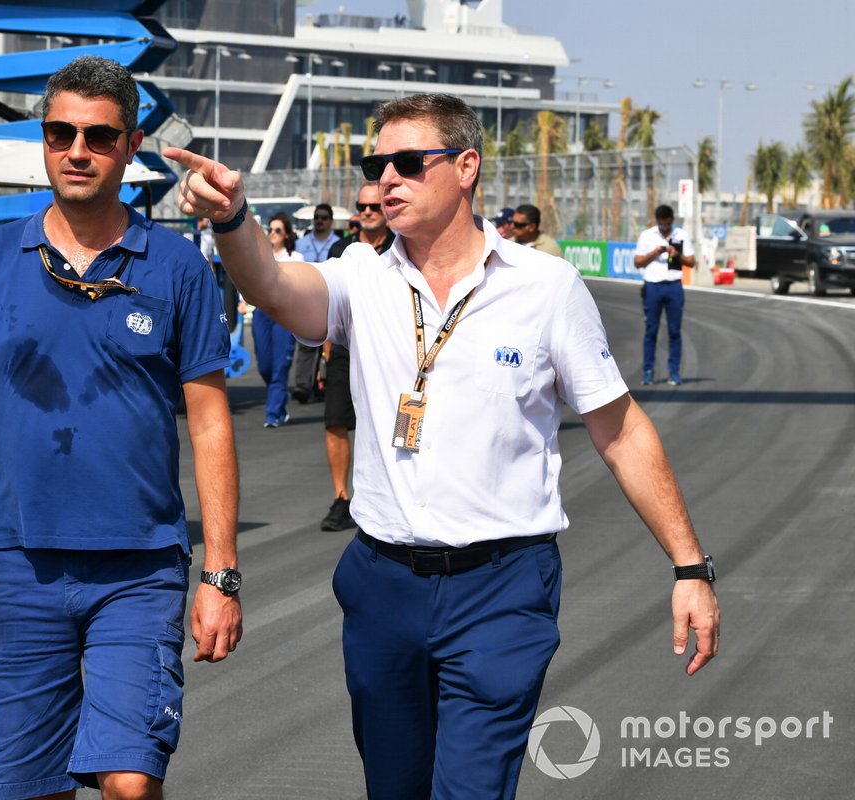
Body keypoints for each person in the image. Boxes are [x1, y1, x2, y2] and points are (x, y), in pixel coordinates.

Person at [164, 92, 718, 800]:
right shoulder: (361, 275)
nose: (384, 179)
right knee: (395, 788)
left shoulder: (546, 288)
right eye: (376, 164)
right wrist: (233, 218)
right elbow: (272, 286)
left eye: (405, 162)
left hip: (501, 587)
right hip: (383, 583)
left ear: (465, 167)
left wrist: (689, 566)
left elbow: (621, 429)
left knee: (471, 789)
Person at [0, 55, 242, 800]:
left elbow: (211, 422)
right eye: (61, 133)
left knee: (129, 780)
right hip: (18, 562)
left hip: (140, 567)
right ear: (45, 140)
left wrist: (220, 572)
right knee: (30, 788)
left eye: (98, 135)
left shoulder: (179, 267)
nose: (77, 150)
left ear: (129, 146)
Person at [317, 183, 395, 532]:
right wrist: (324, 355)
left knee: (386, 424)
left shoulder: (403, 247)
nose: (366, 211)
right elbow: (327, 303)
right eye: (361, 206)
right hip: (345, 349)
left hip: (393, 352)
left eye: (374, 206)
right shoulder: (341, 248)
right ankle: (341, 497)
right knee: (335, 421)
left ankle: (386, 497)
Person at [635, 204, 696, 386]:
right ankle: (648, 370)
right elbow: (638, 262)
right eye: (661, 226)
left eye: (667, 225)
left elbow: (692, 262)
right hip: (653, 287)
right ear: (657, 222)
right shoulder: (647, 236)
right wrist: (654, 253)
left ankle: (674, 371)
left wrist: (677, 255)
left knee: (675, 331)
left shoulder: (681, 235)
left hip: (674, 286)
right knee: (651, 330)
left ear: (671, 222)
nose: (664, 229)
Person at [252, 211, 301, 427]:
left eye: (277, 230)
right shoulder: (260, 257)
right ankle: (279, 395)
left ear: (287, 235)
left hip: (285, 312)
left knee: (280, 365)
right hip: (261, 312)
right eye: (270, 229)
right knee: (264, 365)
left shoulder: (296, 259)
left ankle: (274, 414)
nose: (272, 233)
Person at [290, 203, 341, 403]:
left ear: (330, 221)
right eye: (316, 217)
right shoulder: (301, 244)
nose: (319, 221)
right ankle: (302, 386)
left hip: (331, 297)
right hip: (307, 298)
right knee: (306, 342)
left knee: (333, 344)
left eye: (323, 218)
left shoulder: (338, 243)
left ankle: (327, 384)